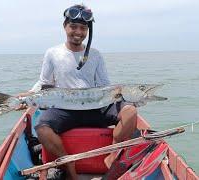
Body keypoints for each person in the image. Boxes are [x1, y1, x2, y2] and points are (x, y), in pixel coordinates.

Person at [18, 4, 139, 180]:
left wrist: (121, 94)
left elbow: (105, 84)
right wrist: (27, 96)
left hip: (95, 106)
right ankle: (70, 168)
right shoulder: (53, 53)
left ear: (88, 30)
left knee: (131, 111)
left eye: (83, 28)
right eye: (73, 26)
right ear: (65, 27)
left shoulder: (96, 55)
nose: (78, 32)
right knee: (42, 128)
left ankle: (113, 153)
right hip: (65, 108)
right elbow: (44, 83)